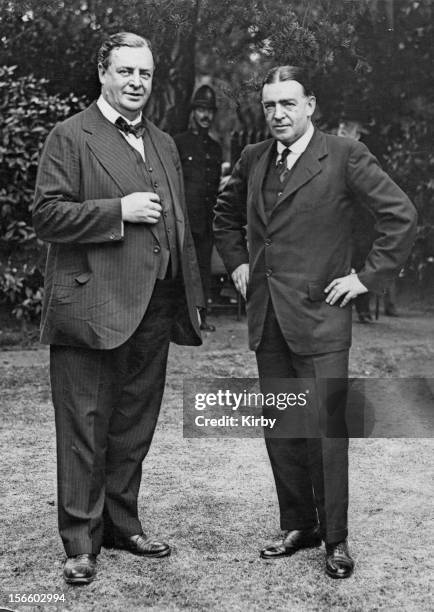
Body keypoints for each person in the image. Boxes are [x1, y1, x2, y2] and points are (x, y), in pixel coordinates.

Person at [214, 65, 417, 579]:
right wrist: (238, 261)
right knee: (282, 429)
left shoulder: (345, 154)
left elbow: (401, 215)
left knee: (327, 432)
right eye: (269, 106)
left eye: (288, 104)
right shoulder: (254, 157)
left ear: (310, 106)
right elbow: (224, 213)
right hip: (268, 318)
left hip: (322, 318)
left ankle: (336, 539)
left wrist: (367, 279)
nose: (278, 114)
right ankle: (298, 524)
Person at [33, 32, 203, 585]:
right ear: (102, 73)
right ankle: (81, 543)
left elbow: (178, 223)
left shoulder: (164, 142)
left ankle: (122, 523)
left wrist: (188, 292)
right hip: (92, 304)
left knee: (135, 423)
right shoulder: (70, 135)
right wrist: (118, 211)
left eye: (145, 75)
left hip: (155, 303)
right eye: (125, 71)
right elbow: (47, 216)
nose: (136, 83)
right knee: (84, 426)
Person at [174, 85, 222, 332]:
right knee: (182, 269)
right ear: (193, 112)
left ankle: (201, 317)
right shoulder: (178, 143)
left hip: (206, 219)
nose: (206, 116)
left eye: (210, 111)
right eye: (201, 110)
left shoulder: (215, 148)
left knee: (203, 268)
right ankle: (182, 319)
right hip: (184, 219)